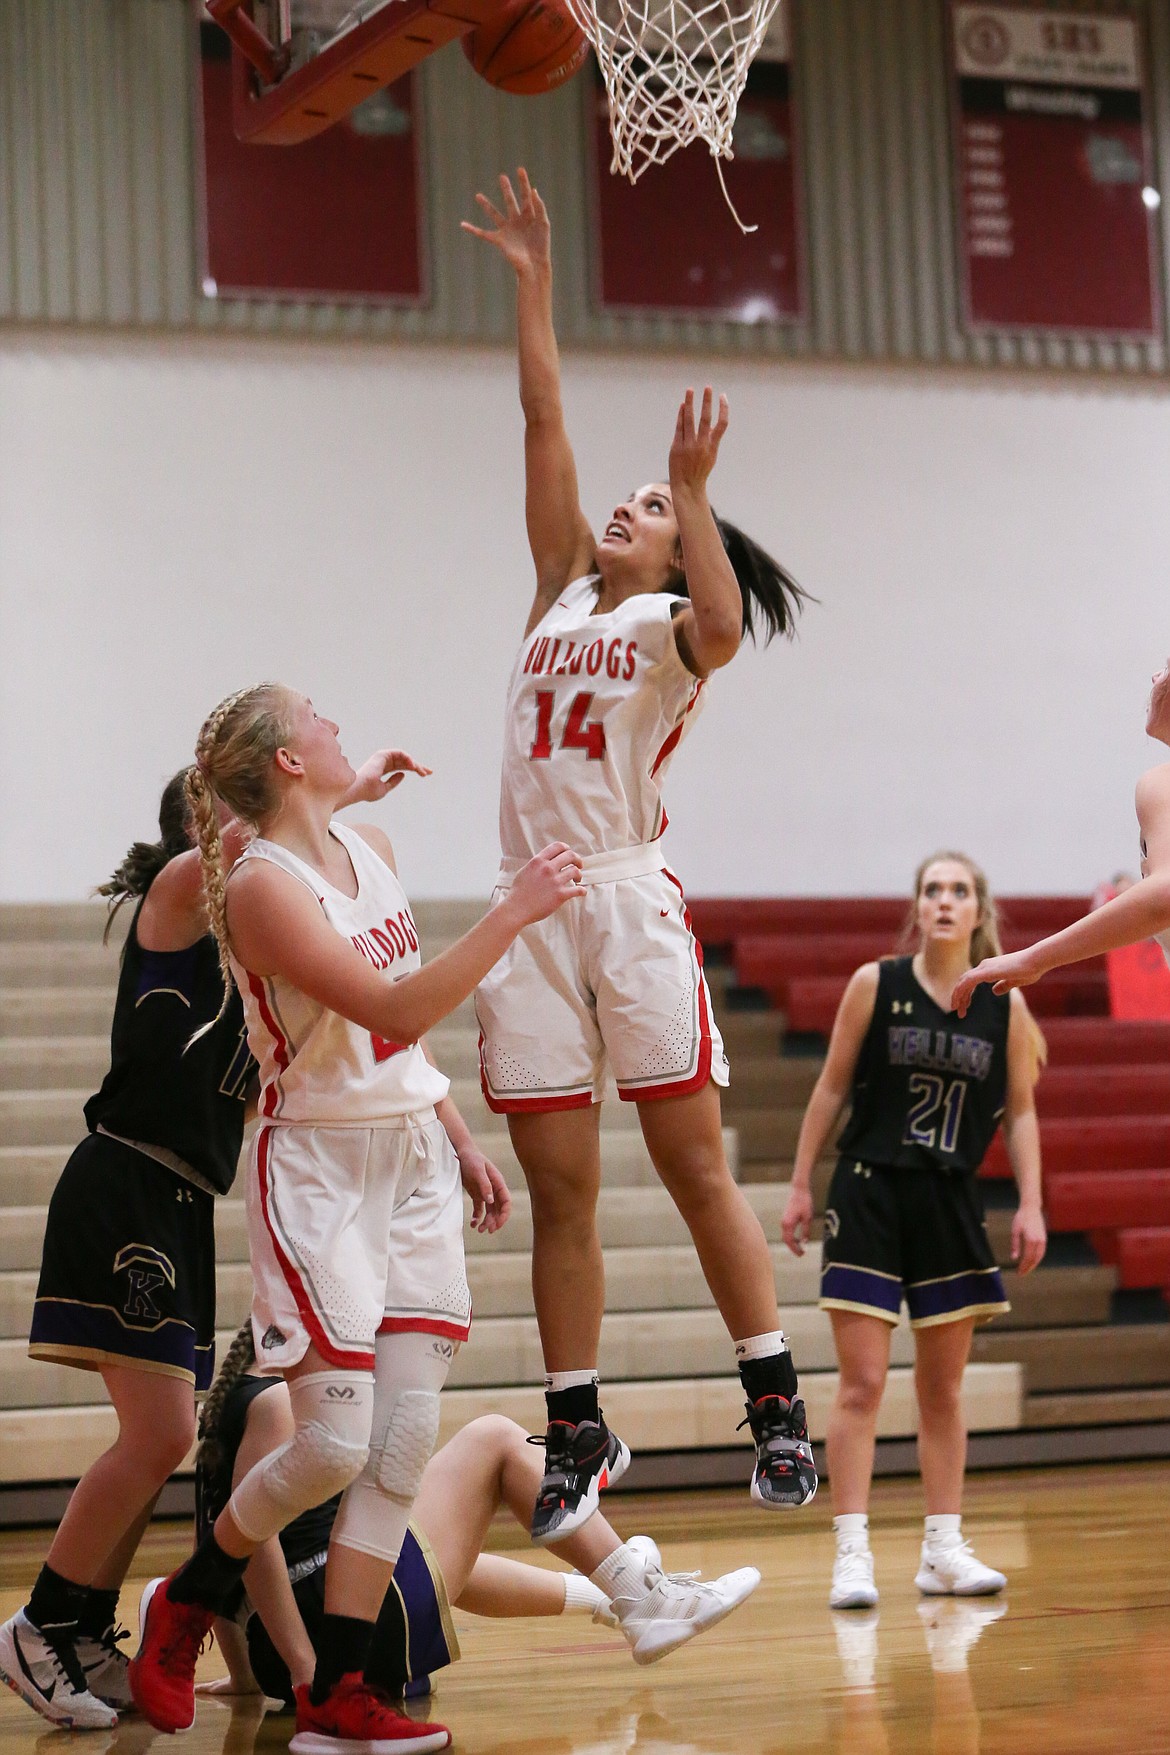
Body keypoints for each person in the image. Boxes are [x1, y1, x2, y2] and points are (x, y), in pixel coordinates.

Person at [126, 683, 586, 1755]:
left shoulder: (360, 839)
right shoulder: (259, 891)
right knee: (331, 1447)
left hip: (412, 1157)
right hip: (321, 1169)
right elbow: (394, 1008)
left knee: (403, 1442)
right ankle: (187, 1599)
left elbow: (402, 1050)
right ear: (288, 762)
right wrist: (511, 912)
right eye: (319, 721)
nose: (338, 724)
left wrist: (459, 1137)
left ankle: (340, 1689)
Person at [463, 168, 817, 1542]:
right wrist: (536, 282)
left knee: (691, 1167)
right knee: (562, 1189)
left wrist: (693, 489)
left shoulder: (679, 629)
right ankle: (573, 1416)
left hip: (619, 897)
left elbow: (729, 623)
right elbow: (541, 414)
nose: (623, 507)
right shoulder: (558, 581)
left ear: (679, 543)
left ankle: (771, 1396)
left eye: (647, 506)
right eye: (627, 497)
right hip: (527, 909)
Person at [0, 749, 429, 1734]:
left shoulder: (254, 973)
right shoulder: (177, 896)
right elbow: (233, 848)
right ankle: (42, 1627)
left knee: (157, 1441)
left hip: (182, 1204)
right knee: (156, 1435)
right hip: (125, 1182)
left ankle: (74, 1631)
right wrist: (333, 790)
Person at [190, 1323, 761, 1709]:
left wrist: (249, 1679)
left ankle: (618, 1594)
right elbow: (256, 1546)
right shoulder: (278, 1401)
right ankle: (643, 1596)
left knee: (412, 1542)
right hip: (331, 1640)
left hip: (303, 1641)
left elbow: (220, 1544)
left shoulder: (237, 1405)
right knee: (494, 1440)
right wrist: (307, 1670)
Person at [781, 853, 1047, 1610]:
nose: (943, 900)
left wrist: (1031, 1201)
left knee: (943, 1388)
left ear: (977, 911)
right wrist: (801, 1181)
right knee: (862, 1382)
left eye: (958, 890)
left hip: (951, 1198)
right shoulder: (878, 983)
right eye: (932, 888)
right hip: (869, 1189)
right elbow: (831, 1086)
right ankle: (852, 1552)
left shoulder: (1006, 1004)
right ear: (918, 906)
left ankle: (942, 1549)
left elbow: (1021, 1111)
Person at [953, 659, 1170, 1016]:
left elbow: (1163, 896)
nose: (1155, 676)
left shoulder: (1160, 783)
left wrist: (1034, 959)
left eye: (1165, 667)